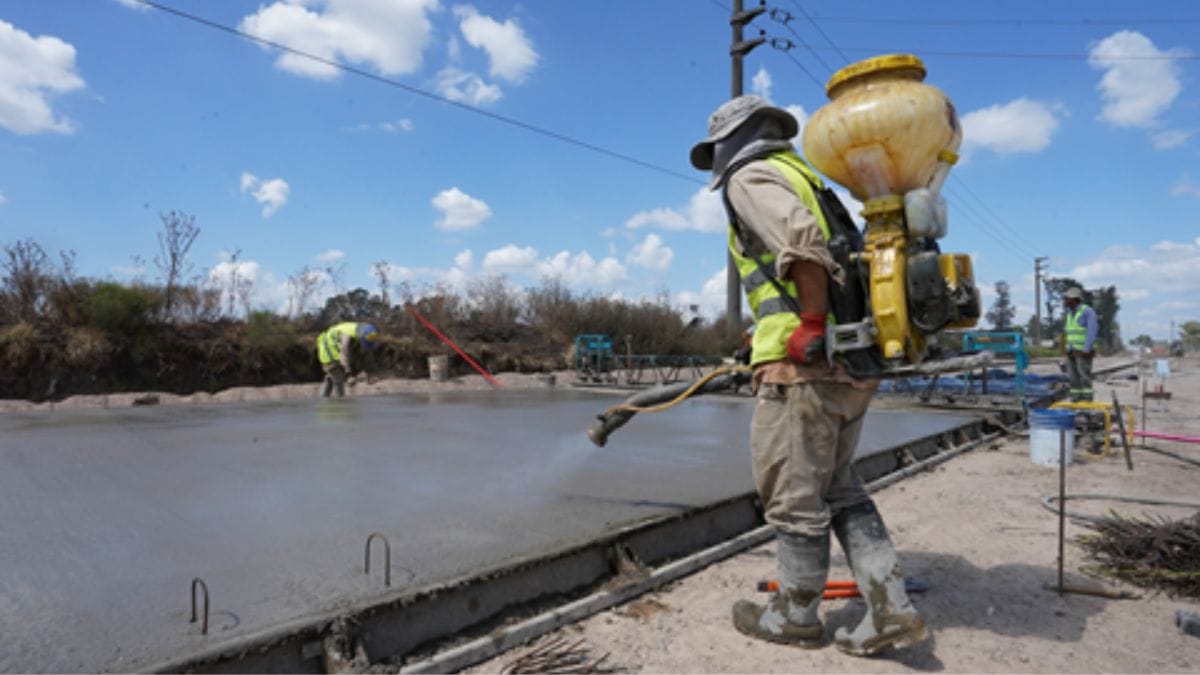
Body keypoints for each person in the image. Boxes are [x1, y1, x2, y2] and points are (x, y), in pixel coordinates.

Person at [690, 95, 928, 656]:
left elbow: (803, 246)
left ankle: (794, 613)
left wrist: (810, 324)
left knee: (793, 495)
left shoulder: (750, 177)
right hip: (851, 364)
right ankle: (891, 606)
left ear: (732, 142)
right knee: (840, 489)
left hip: (806, 368)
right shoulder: (807, 177)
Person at [317, 322, 379, 397]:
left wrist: (370, 373)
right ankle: (341, 404)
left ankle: (323, 401)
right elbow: (345, 356)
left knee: (332, 376)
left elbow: (366, 354)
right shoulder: (347, 337)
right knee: (337, 377)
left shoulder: (366, 333)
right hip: (328, 347)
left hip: (338, 347)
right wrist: (349, 375)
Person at [1063, 287, 1097, 401]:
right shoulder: (1068, 313)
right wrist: (1067, 348)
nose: (1065, 301)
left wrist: (1086, 349)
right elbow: (1069, 332)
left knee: (1084, 376)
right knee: (1073, 377)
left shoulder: (1087, 312)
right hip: (1071, 351)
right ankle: (1075, 398)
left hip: (1083, 351)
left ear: (1074, 299)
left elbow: (1092, 331)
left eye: (1067, 298)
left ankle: (1087, 399)